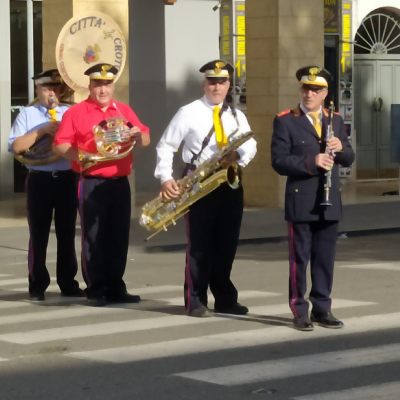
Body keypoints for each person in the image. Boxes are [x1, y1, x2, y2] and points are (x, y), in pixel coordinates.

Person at [155, 60, 257, 317]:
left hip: (229, 184)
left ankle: (224, 297)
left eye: (222, 82)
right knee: (200, 245)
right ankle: (196, 298)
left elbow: (251, 144)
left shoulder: (236, 115)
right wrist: (166, 177)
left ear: (228, 85)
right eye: (212, 81)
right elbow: (166, 145)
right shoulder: (188, 112)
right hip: (199, 184)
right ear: (204, 84)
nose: (216, 87)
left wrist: (238, 157)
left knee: (226, 244)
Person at [53, 63, 150, 307]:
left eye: (107, 84)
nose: (103, 89)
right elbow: (59, 145)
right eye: (98, 84)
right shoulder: (76, 113)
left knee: (119, 236)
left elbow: (145, 139)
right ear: (90, 86)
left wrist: (139, 135)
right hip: (92, 181)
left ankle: (116, 286)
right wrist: (84, 156)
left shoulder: (124, 111)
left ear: (112, 86)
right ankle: (95, 288)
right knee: (93, 236)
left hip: (119, 182)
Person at [271, 66, 355, 331]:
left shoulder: (336, 120)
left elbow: (349, 157)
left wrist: (341, 149)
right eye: (305, 88)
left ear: (325, 93)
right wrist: (312, 161)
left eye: (315, 90)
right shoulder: (286, 120)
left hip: (330, 201)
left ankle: (322, 308)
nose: (309, 94)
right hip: (301, 199)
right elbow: (279, 161)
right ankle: (300, 310)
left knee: (325, 258)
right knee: (300, 259)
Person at [9, 69, 83, 301]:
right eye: (47, 88)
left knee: (67, 232)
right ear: (37, 90)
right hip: (39, 179)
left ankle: (67, 282)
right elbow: (16, 147)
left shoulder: (70, 111)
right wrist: (42, 131)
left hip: (67, 178)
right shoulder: (27, 114)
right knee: (38, 233)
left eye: (56, 88)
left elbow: (82, 140)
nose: (52, 92)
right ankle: (37, 284)